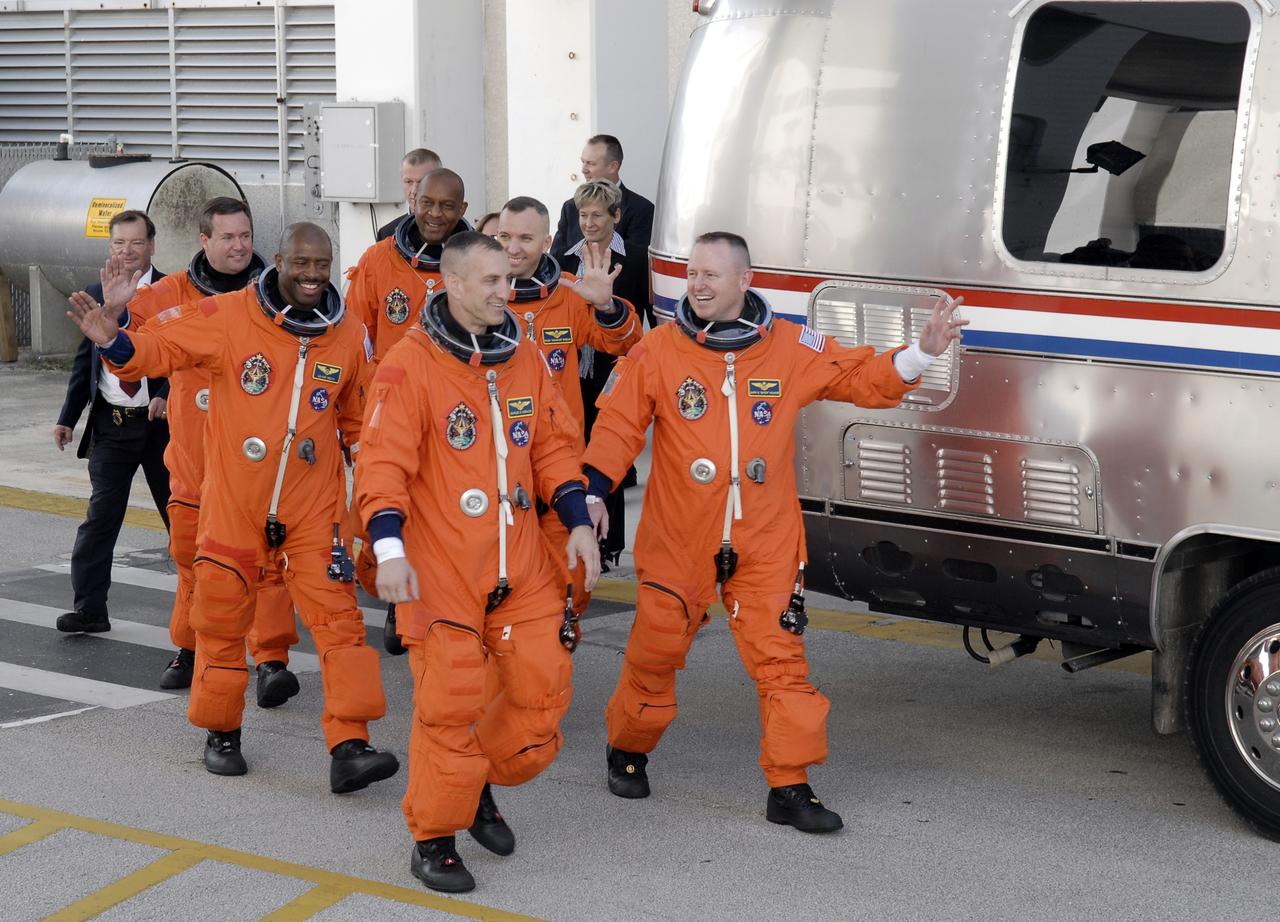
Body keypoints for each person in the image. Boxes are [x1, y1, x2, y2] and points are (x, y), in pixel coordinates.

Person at [581, 232, 967, 832]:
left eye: (711, 275)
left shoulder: (789, 345)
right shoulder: (657, 351)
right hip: (679, 537)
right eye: (693, 274)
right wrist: (592, 493)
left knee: (781, 662)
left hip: (764, 538)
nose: (698, 285)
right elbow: (616, 427)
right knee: (656, 651)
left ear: (745, 280)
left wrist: (920, 352)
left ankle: (789, 785)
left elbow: (859, 375)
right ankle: (628, 749)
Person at [67, 223, 399, 793]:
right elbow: (155, 352)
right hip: (234, 506)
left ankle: (351, 745)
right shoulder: (229, 315)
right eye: (302, 263)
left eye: (322, 265)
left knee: (341, 625)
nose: (313, 275)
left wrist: (376, 482)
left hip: (312, 511)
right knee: (221, 622)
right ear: (280, 261)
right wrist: (112, 336)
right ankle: (222, 733)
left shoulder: (346, 332)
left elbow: (357, 418)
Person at [356, 231, 600, 894]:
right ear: (453, 283)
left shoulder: (523, 356)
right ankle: (434, 838)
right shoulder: (410, 365)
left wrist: (578, 522)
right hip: (441, 573)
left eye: (508, 279)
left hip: (518, 564)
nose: (506, 291)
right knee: (450, 703)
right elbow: (381, 468)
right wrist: (389, 552)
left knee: (542, 694)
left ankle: (475, 783)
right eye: (490, 281)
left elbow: (551, 447)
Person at [124, 197, 301, 699]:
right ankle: (192, 646)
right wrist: (115, 309)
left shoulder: (276, 296)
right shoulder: (173, 292)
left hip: (256, 465)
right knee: (191, 559)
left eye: (245, 235)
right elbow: (129, 342)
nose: (239, 246)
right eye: (227, 237)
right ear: (204, 241)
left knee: (266, 565)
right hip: (194, 463)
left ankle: (270, 660)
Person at [496, 196, 641, 616]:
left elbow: (624, 343)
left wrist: (606, 306)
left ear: (547, 242)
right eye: (504, 237)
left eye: (526, 238)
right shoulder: (477, 298)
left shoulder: (568, 292)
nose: (513, 248)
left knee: (569, 584)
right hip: (499, 460)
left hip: (559, 459)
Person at [346, 167, 470, 655]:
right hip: (394, 411)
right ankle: (398, 603)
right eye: (427, 203)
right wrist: (357, 419)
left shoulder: (474, 261)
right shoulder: (378, 260)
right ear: (413, 201)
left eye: (447, 206)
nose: (435, 214)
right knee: (393, 502)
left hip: (456, 414)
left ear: (462, 210)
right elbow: (353, 341)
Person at [53, 209, 170, 633]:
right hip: (111, 425)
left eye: (136, 243)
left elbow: (189, 355)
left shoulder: (172, 291)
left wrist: (166, 392)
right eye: (119, 243)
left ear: (151, 245)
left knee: (183, 519)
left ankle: (208, 613)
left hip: (162, 429)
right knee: (100, 519)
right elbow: (85, 361)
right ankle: (89, 608)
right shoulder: (94, 293)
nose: (127, 251)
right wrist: (68, 417)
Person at [559, 179, 650, 567]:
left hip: (614, 367)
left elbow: (649, 313)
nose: (589, 223)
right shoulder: (564, 259)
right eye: (583, 215)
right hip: (572, 368)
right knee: (575, 444)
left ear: (616, 216)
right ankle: (575, 527)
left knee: (608, 451)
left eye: (597, 215)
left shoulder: (637, 259)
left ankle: (609, 542)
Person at [551, 134, 654, 264]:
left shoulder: (641, 209)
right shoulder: (570, 206)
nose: (583, 170)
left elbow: (636, 263)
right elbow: (555, 260)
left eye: (591, 163)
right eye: (583, 162)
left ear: (613, 166)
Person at [376, 148, 443, 241]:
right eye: (408, 181)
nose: (414, 191)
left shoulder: (459, 230)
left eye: (422, 181)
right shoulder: (387, 233)